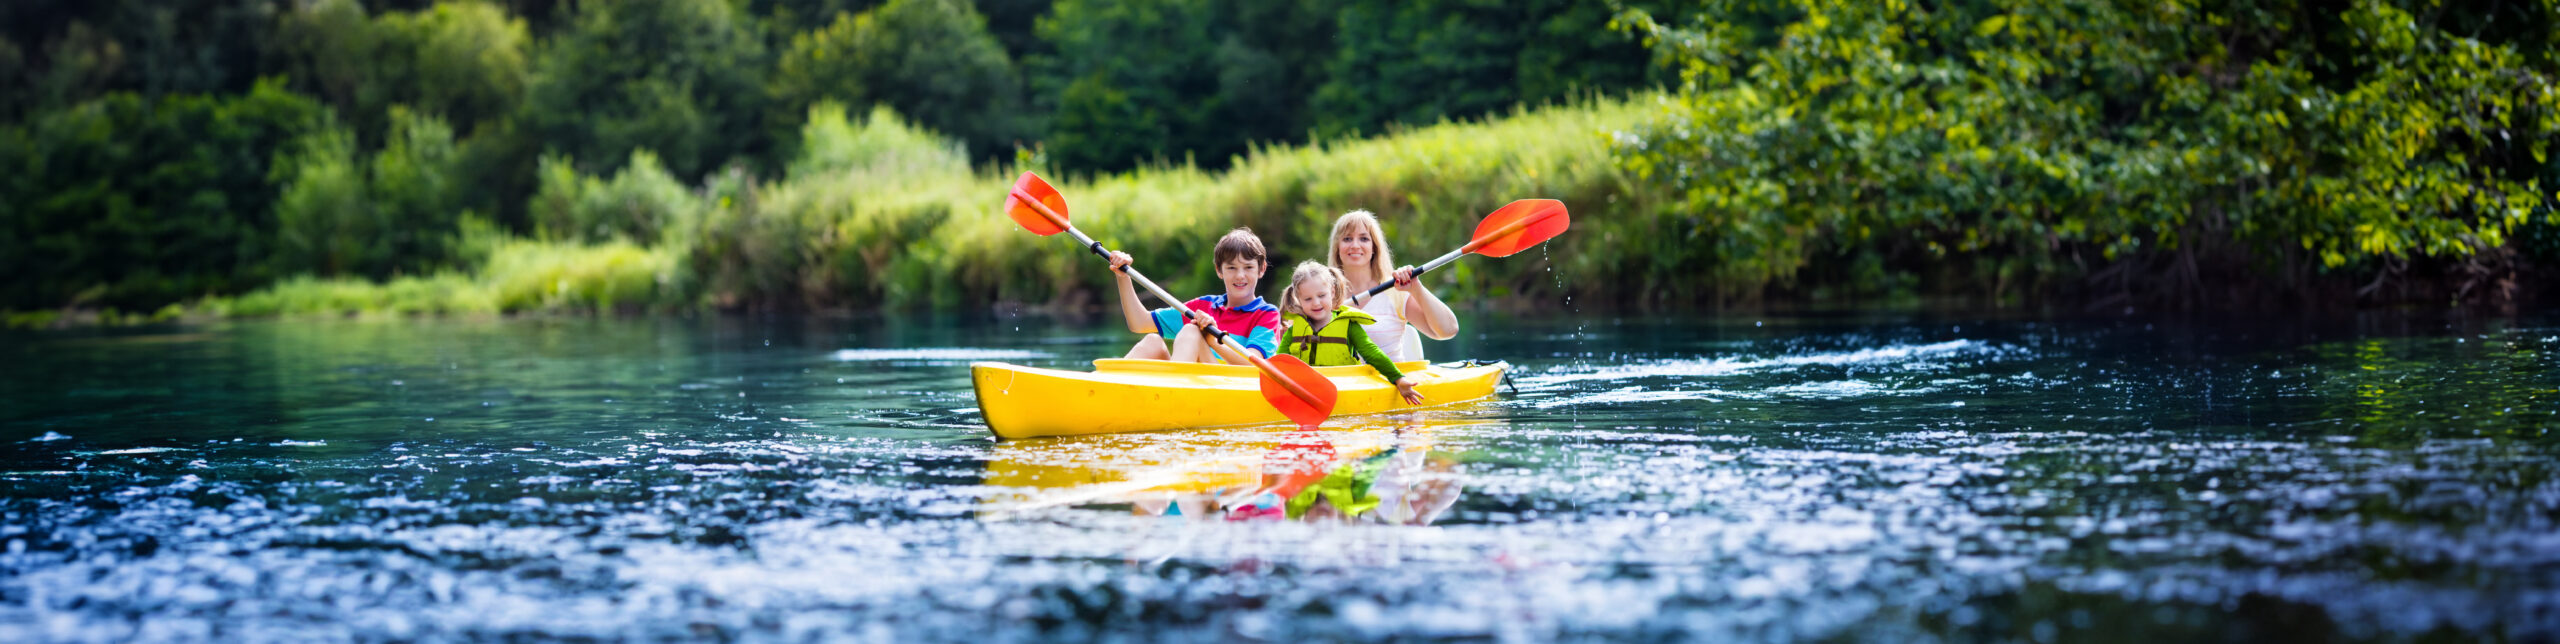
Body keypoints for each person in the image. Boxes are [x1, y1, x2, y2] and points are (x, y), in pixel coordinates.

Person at [1106, 227, 1282, 365]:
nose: (1240, 275)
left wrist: (1213, 341)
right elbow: (1139, 323)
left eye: (1248, 267)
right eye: (1231, 268)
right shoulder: (1204, 306)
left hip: (1225, 389)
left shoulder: (1267, 314)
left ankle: (1172, 393)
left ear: (1262, 269)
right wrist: (1123, 277)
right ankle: (1105, 386)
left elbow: (1254, 364)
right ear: (1219, 270)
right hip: (1192, 383)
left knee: (1192, 330)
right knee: (1153, 341)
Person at [1275, 261, 1425, 405]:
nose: (1316, 303)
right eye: (1308, 299)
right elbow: (1278, 363)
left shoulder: (1349, 325)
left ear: (1332, 292)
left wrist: (1398, 379)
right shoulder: (1294, 331)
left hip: (1345, 389)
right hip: (1306, 393)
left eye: (1321, 296)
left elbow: (1372, 353)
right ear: (1299, 300)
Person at [1326, 210, 1459, 361]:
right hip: (1342, 382)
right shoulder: (1321, 295)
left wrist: (1416, 288)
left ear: (1374, 247)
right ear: (1337, 246)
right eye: (1347, 239)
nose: (1355, 245)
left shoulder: (1396, 292)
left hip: (1392, 381)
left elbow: (1448, 331)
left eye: (1364, 239)